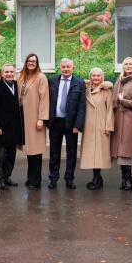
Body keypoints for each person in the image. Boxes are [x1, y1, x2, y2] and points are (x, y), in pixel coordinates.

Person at [47, 58, 86, 189]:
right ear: (60, 68)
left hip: (71, 124)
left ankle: (69, 179)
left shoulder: (79, 83)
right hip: (55, 122)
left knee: (71, 153)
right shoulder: (52, 81)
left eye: (68, 66)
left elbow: (82, 106)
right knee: (54, 152)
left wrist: (78, 125)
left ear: (72, 68)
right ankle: (53, 178)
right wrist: (47, 121)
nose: (66, 69)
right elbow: (47, 102)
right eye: (63, 66)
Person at [110, 57, 132, 191]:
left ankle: (128, 178)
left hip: (129, 119)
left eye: (131, 64)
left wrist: (123, 101)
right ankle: (123, 178)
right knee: (119, 149)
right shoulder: (119, 80)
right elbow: (113, 99)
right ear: (122, 66)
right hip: (118, 117)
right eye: (126, 64)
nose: (128, 66)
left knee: (125, 150)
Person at [0, 63, 23, 190]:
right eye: (6, 72)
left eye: (11, 72)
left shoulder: (17, 86)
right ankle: (0, 179)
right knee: (1, 156)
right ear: (2, 74)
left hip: (14, 127)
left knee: (11, 155)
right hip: (1, 128)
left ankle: (7, 177)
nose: (9, 74)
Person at [18, 53, 49, 190]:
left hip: (35, 118)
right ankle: (31, 177)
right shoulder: (21, 76)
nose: (31, 63)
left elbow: (44, 99)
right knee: (30, 150)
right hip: (23, 118)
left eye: (34, 61)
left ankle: (35, 180)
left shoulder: (41, 77)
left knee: (36, 151)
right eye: (29, 61)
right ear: (26, 62)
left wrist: (41, 118)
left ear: (37, 63)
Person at [80, 68, 114, 190]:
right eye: (93, 75)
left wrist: (108, 127)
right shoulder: (85, 90)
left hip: (101, 126)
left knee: (99, 154)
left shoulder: (106, 91)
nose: (95, 78)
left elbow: (110, 110)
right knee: (91, 154)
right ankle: (97, 177)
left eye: (98, 76)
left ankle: (97, 178)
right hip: (88, 126)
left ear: (102, 77)